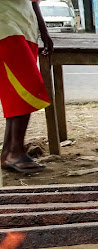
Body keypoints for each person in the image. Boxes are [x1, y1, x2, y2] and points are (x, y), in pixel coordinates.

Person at [0, 0, 52, 174]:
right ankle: (15, 151)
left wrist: (43, 30)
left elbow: (34, 2)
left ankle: (9, 152)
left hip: (25, 26)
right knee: (28, 85)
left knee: (18, 92)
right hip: (5, 26)